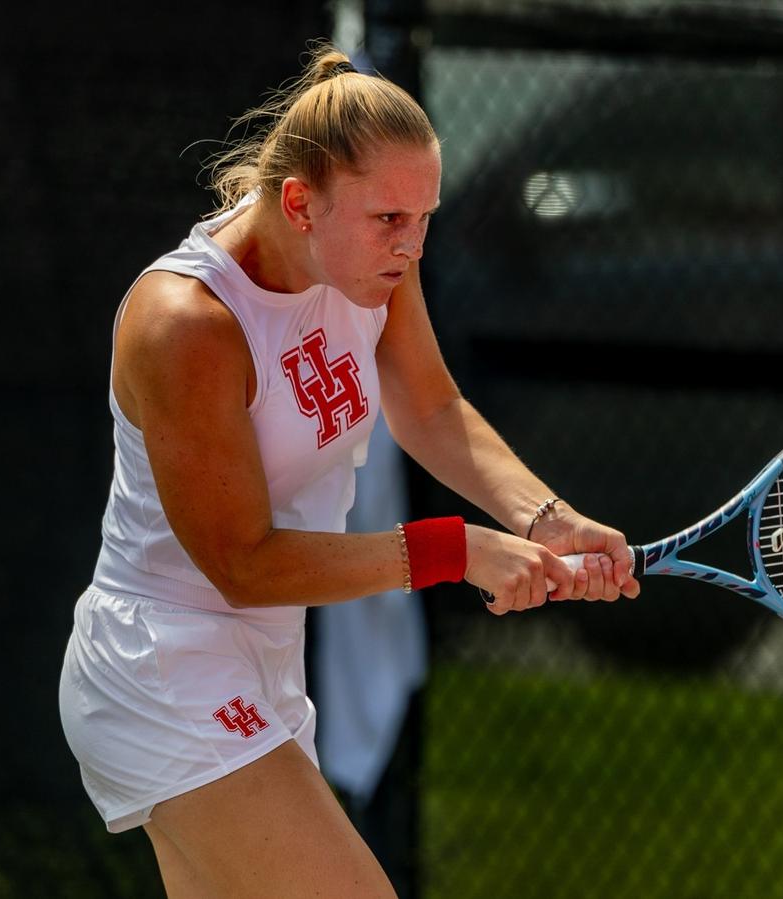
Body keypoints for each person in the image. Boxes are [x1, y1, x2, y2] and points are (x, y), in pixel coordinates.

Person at [57, 44, 640, 898]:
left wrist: (544, 518)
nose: (411, 243)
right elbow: (242, 563)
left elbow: (433, 409)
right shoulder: (187, 324)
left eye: (425, 216)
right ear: (300, 202)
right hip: (163, 668)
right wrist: (459, 549)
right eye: (389, 219)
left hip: (259, 665)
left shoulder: (367, 265)